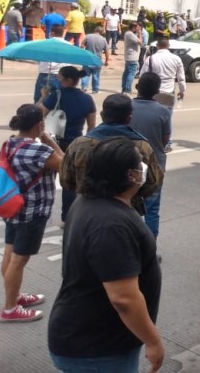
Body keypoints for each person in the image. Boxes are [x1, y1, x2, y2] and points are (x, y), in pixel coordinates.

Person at [47, 137, 164, 372]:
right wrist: (153, 342)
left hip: (92, 336)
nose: (144, 169)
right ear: (131, 175)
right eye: (140, 165)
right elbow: (124, 298)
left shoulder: (89, 202)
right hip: (97, 348)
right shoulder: (111, 224)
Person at [0, 105, 63, 322]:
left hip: (12, 206)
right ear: (39, 124)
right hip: (32, 212)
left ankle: (14, 296)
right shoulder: (40, 151)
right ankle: (10, 309)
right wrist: (49, 140)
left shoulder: (9, 143)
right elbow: (65, 165)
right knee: (18, 261)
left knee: (10, 255)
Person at [59, 94, 164, 221]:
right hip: (126, 214)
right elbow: (153, 183)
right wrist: (133, 196)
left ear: (102, 115)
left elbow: (65, 179)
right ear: (129, 118)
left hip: (86, 213)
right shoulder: (142, 146)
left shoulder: (79, 144)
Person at [40, 66, 96, 223]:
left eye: (60, 78)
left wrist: (43, 97)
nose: (58, 80)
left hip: (53, 142)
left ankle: (42, 213)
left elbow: (38, 114)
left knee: (47, 179)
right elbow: (91, 126)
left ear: (68, 80)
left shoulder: (55, 96)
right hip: (75, 143)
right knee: (70, 183)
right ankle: (68, 218)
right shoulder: (87, 99)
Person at [131, 73, 172, 241]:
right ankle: (149, 248)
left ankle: (131, 246)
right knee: (152, 210)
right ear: (156, 91)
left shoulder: (127, 106)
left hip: (130, 165)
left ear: (137, 87)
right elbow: (165, 140)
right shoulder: (163, 111)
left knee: (129, 207)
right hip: (155, 166)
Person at [139, 37, 186, 104]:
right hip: (169, 92)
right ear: (169, 46)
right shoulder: (176, 59)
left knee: (154, 113)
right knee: (167, 113)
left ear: (157, 45)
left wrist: (140, 93)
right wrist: (182, 91)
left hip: (154, 93)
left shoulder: (150, 59)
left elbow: (142, 77)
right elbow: (181, 78)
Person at [33, 24, 68, 103]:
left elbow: (38, 58)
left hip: (45, 74)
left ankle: (38, 114)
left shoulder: (44, 44)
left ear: (52, 33)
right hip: (61, 75)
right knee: (58, 100)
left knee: (40, 99)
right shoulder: (68, 45)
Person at [81, 26, 110, 94]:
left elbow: (82, 46)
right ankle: (95, 89)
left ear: (95, 30)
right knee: (96, 75)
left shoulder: (88, 36)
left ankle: (84, 87)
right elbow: (106, 51)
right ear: (101, 32)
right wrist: (107, 60)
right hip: (97, 59)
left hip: (87, 58)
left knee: (85, 74)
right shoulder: (103, 39)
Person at [122, 22, 142, 95]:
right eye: (137, 27)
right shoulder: (130, 34)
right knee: (131, 74)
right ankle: (127, 89)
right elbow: (140, 42)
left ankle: (124, 88)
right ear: (133, 28)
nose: (138, 29)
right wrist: (140, 34)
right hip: (132, 57)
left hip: (129, 56)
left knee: (126, 73)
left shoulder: (128, 34)